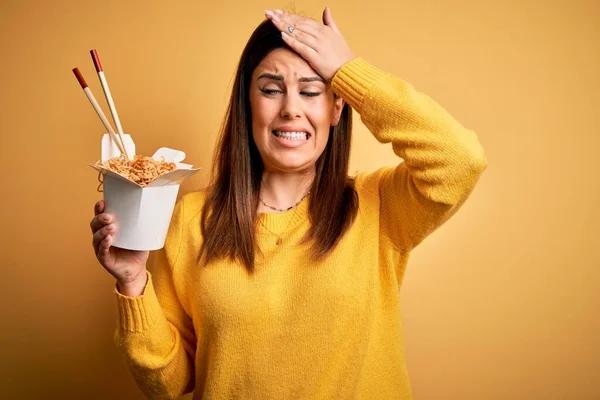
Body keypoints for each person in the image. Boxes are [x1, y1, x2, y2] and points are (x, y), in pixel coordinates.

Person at [90, 7, 487, 399]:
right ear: (248, 104)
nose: (291, 109)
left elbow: (460, 159)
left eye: (312, 91)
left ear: (336, 106)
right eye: (271, 89)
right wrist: (133, 282)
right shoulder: (191, 220)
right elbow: (170, 383)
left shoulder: (380, 206)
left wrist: (348, 72)